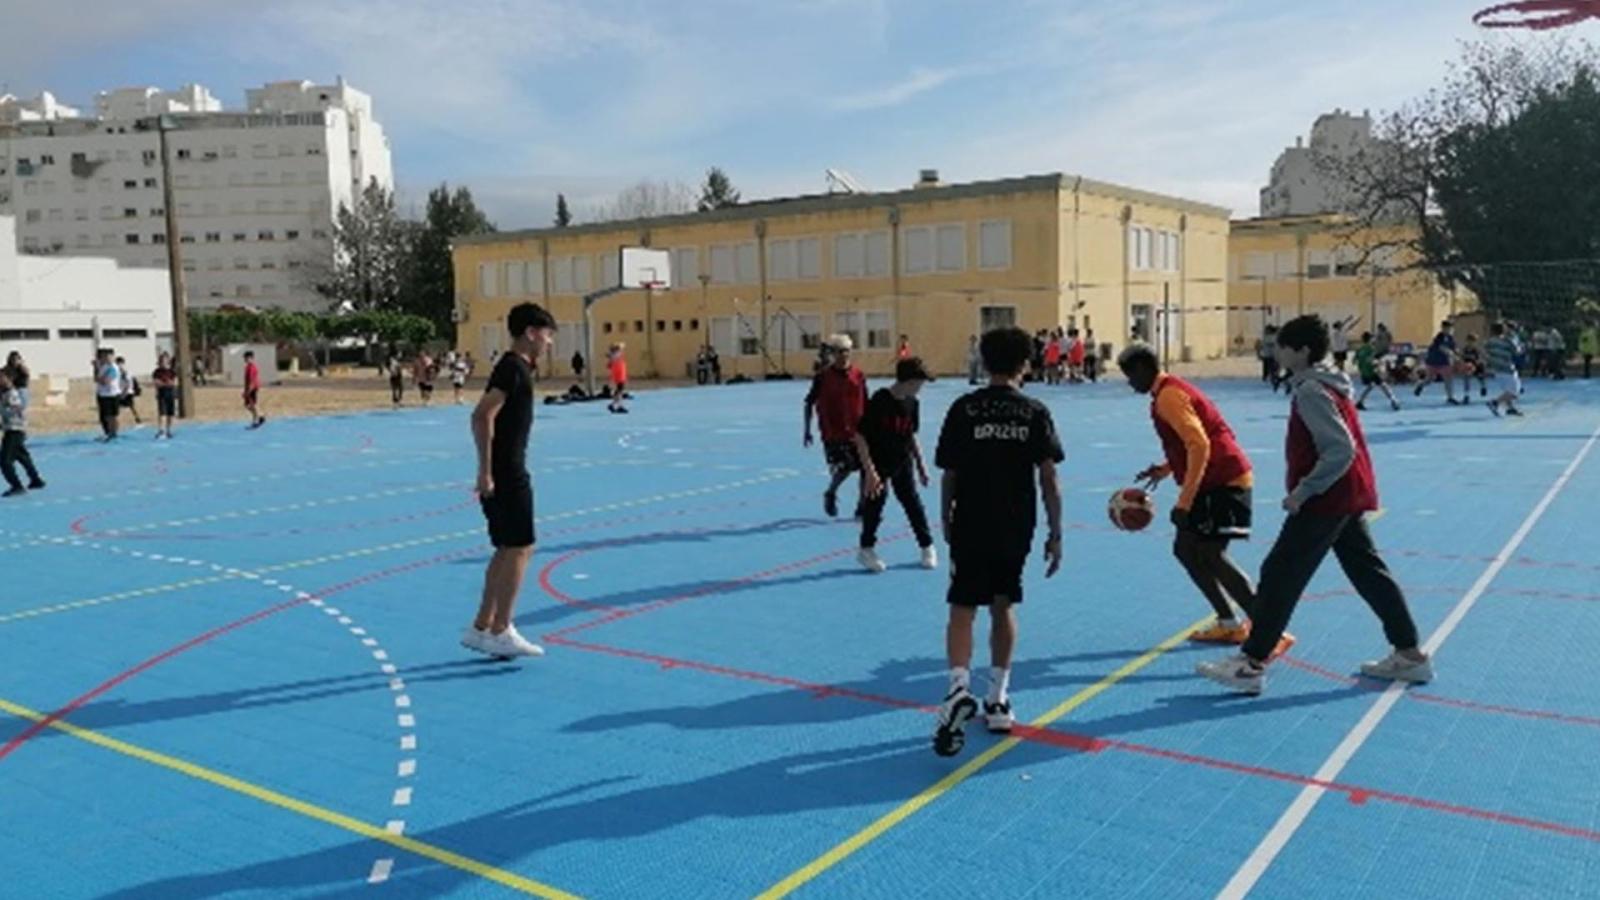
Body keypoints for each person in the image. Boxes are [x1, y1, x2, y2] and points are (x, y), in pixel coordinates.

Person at [1197, 315, 1432, 695]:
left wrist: (1304, 491)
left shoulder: (1311, 391)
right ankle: (1409, 654)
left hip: (1328, 498)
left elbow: (1340, 448)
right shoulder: (1327, 383)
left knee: (1280, 572)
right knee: (1368, 571)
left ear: (1302, 351)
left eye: (1282, 346)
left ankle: (1251, 662)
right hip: (1347, 494)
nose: (1276, 352)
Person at [931, 326, 1064, 756]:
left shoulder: (963, 409)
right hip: (1015, 524)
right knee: (1004, 605)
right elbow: (1048, 477)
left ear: (983, 363)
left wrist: (946, 517)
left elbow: (949, 472)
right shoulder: (1034, 412)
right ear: (1026, 364)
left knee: (962, 607)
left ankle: (957, 688)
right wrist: (1055, 531)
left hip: (970, 519)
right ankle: (998, 698)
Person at [1120, 344, 1292, 655]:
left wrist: (1184, 501)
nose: (1129, 382)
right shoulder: (1167, 393)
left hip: (1223, 480)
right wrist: (1166, 468)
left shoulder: (1169, 397)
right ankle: (1229, 623)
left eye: (1130, 375)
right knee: (1186, 550)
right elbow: (1194, 441)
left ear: (1144, 369)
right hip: (1214, 480)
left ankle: (1270, 629)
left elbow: (1199, 444)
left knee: (1211, 554)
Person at [463, 302, 557, 660]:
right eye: (547, 335)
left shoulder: (516, 369)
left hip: (505, 470)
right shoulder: (513, 369)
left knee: (507, 547)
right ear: (531, 333)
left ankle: (481, 626)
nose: (549, 343)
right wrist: (486, 470)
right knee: (521, 547)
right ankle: (502, 629)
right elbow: (482, 415)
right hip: (507, 473)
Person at [852, 357, 937, 573]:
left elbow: (911, 436)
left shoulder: (912, 403)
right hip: (878, 463)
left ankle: (927, 545)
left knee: (912, 503)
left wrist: (921, 466)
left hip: (902, 461)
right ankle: (866, 549)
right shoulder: (881, 400)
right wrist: (870, 472)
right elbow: (860, 436)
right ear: (908, 381)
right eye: (920, 383)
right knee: (875, 506)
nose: (921, 389)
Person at [804, 334, 869, 520]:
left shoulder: (858, 375)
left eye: (846, 351)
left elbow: (866, 401)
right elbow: (809, 403)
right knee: (845, 467)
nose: (843, 355)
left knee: (866, 467)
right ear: (833, 354)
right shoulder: (823, 377)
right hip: (833, 432)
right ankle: (831, 492)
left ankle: (861, 506)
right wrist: (807, 430)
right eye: (839, 352)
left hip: (858, 430)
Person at [0, 370, 45, 497]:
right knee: (22, 456)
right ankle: (36, 479)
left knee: (5, 460)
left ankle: (16, 486)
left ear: (9, 379)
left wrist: (3, 412)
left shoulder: (12, 394)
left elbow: (15, 411)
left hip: (15, 429)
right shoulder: (5, 394)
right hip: (12, 428)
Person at [1415, 320, 1461, 405]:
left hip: (1444, 362)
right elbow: (1441, 348)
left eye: (1450, 328)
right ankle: (1421, 385)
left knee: (1448, 379)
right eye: (1447, 328)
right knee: (1429, 380)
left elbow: (1455, 348)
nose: (1449, 330)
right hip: (1433, 361)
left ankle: (1450, 397)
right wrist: (1450, 353)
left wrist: (1457, 354)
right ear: (1443, 328)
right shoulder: (1439, 337)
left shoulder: (1451, 338)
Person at [1485, 321, 1525, 418]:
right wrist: (1522, 346)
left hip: (1497, 369)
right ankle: (1494, 402)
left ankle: (1510, 408)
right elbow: (1517, 352)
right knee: (1515, 392)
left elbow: (1485, 353)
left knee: (1507, 390)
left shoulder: (1489, 342)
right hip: (1507, 368)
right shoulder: (1507, 341)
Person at [1354, 332, 1400, 412]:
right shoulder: (1371, 349)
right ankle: (1394, 401)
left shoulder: (1359, 349)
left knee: (1370, 386)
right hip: (1372, 371)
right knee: (1383, 385)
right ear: (1370, 339)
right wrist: (1378, 363)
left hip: (1364, 372)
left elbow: (1354, 361)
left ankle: (1360, 402)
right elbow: (1371, 360)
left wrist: (1361, 365)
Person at [93, 349, 121, 441]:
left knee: (113, 415)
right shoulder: (103, 367)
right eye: (105, 357)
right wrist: (96, 368)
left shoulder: (113, 367)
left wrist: (100, 379)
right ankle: (108, 432)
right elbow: (96, 378)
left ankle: (114, 432)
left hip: (112, 394)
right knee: (106, 415)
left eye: (109, 356)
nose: (107, 358)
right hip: (103, 394)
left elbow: (106, 381)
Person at [152, 352, 178, 439]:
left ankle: (169, 430)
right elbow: (156, 382)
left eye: (165, 360)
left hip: (170, 394)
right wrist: (164, 383)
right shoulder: (157, 372)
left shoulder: (172, 371)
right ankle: (161, 430)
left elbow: (174, 382)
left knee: (170, 413)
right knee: (162, 413)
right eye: (162, 360)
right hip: (161, 395)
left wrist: (168, 383)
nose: (164, 362)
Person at [116, 356, 143, 426]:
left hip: (128, 392)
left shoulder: (125, 372)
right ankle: (117, 420)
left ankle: (137, 418)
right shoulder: (117, 372)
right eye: (117, 364)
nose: (119, 365)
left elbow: (128, 383)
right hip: (121, 391)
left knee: (132, 406)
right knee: (118, 406)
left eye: (120, 364)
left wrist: (124, 392)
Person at [243, 350, 265, 429]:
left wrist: (249, 391)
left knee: (252, 404)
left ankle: (256, 420)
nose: (246, 360)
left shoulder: (252, 367)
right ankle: (260, 416)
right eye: (245, 358)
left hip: (253, 388)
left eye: (248, 358)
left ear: (251, 358)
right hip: (249, 387)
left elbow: (252, 380)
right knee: (248, 405)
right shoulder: (248, 367)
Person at [606, 343, 629, 414]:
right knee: (620, 391)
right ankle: (619, 406)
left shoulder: (615, 357)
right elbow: (621, 346)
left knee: (619, 391)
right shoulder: (615, 356)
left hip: (620, 375)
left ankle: (613, 404)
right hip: (619, 376)